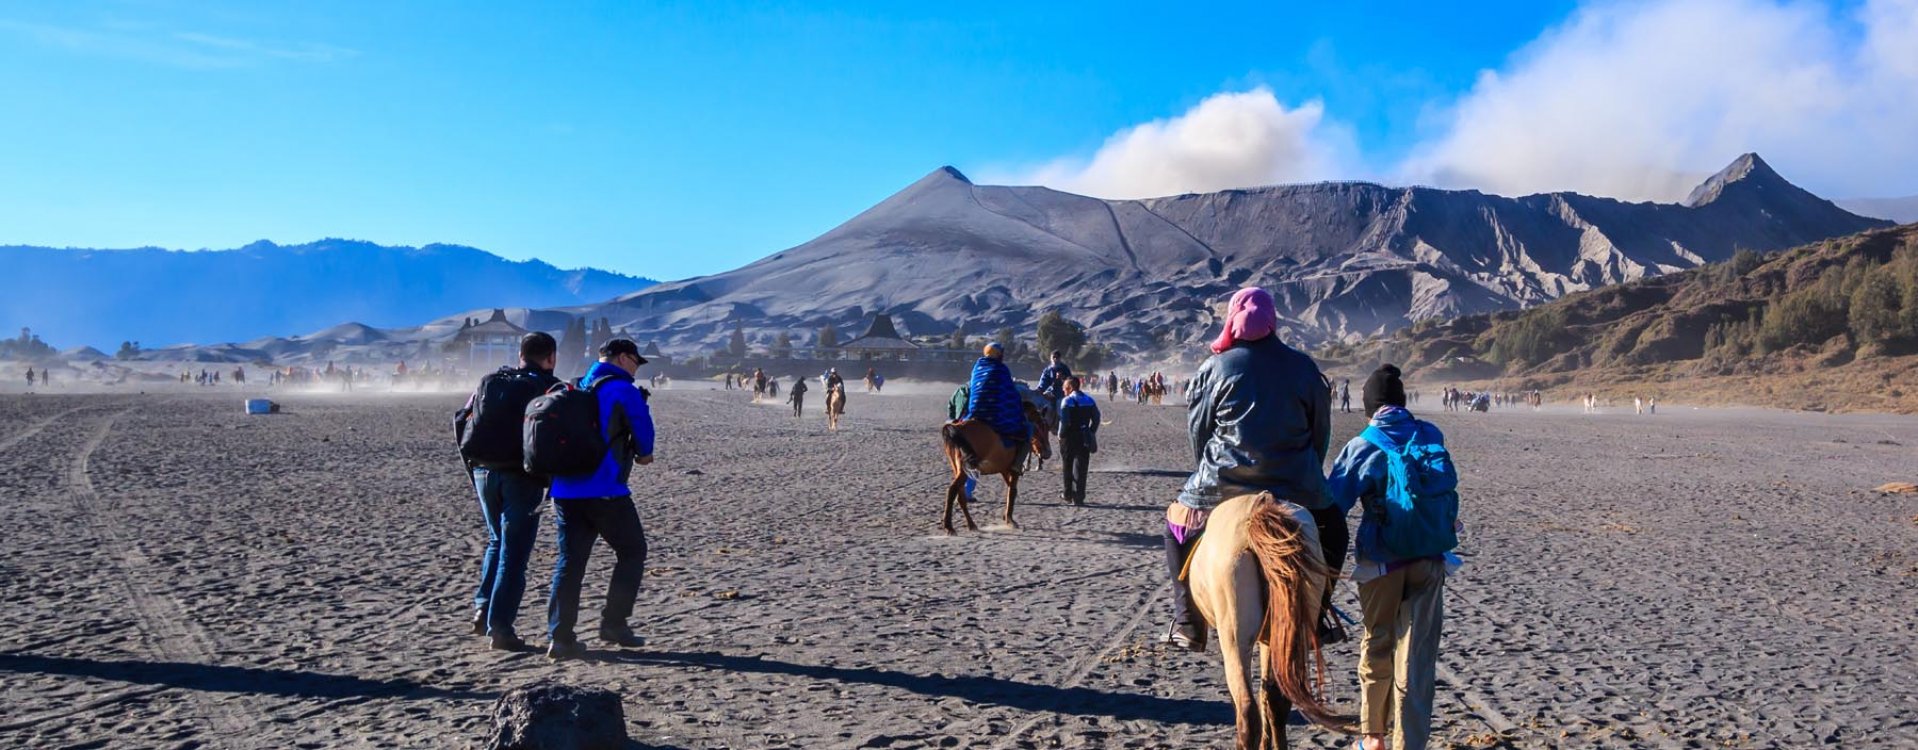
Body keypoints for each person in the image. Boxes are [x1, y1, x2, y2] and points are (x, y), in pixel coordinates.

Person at [1165, 287, 1343, 650]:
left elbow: (1198, 432)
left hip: (1223, 481)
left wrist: (1205, 473)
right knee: (1336, 531)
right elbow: (1320, 432)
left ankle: (1189, 622)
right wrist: (1311, 473)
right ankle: (1318, 615)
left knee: (1174, 528)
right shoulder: (1304, 367)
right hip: (1296, 483)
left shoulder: (1214, 367)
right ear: (1273, 321)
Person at [1327, 365, 1460, 750]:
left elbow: (1335, 503)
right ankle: (1410, 743)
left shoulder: (1363, 444)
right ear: (1402, 403)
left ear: (1370, 407)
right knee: (1417, 654)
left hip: (1380, 563)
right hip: (1431, 558)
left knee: (1378, 643)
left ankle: (1373, 738)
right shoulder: (1430, 434)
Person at [546, 338, 656, 660]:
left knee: (570, 562)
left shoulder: (576, 386)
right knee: (633, 550)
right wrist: (642, 454)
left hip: (565, 491)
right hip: (605, 490)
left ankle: (560, 637)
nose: (636, 368)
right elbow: (645, 441)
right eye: (636, 361)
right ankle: (614, 624)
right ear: (623, 358)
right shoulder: (623, 390)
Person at [458, 332, 561, 651]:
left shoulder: (492, 381)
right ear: (551, 357)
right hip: (521, 477)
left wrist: (472, 468)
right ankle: (500, 627)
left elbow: (464, 419)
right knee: (514, 554)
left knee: (495, 541)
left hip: (483, 472)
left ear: (520, 354)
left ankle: (482, 608)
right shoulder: (549, 387)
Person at [960, 343, 1030, 460]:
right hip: (994, 414)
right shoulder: (1001, 368)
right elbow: (1010, 392)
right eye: (1001, 353)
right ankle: (1017, 464)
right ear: (998, 354)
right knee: (1026, 429)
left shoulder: (977, 367)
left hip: (975, 412)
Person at [1056, 377, 1100, 505]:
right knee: (1081, 466)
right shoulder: (1089, 400)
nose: (1063, 390)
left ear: (1070, 387)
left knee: (1067, 465)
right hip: (1084, 435)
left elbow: (1064, 422)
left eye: (1064, 388)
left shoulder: (1067, 401)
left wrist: (1060, 434)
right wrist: (1091, 431)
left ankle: (1067, 494)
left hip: (1069, 437)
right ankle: (1079, 497)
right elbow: (1096, 418)